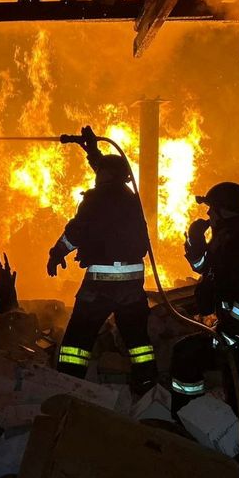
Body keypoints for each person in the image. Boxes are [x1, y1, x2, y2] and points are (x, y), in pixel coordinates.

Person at [169, 182, 239, 443]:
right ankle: (190, 422)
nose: (208, 215)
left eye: (212, 209)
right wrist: (195, 242)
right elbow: (204, 268)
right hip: (235, 336)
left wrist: (228, 334)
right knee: (186, 355)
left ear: (225, 211)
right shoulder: (226, 241)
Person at [46, 127, 157, 392]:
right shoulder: (129, 198)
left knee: (77, 340)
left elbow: (75, 232)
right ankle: (147, 385)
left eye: (100, 172)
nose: (97, 176)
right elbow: (110, 174)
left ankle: (68, 383)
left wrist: (57, 253)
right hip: (132, 285)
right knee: (138, 341)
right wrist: (93, 152)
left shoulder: (96, 199)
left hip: (101, 285)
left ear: (107, 175)